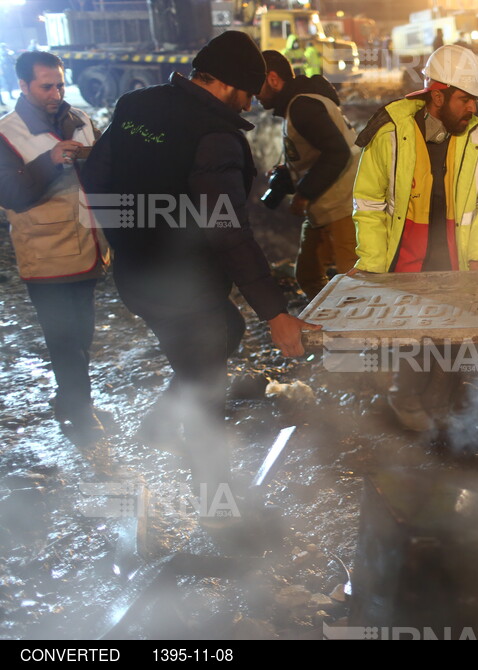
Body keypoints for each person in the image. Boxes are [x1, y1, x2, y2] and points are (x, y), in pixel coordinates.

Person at [82, 31, 318, 498]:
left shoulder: (136, 106)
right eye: (248, 92)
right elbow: (228, 230)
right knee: (207, 390)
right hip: (185, 291)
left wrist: (132, 238)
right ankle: (219, 516)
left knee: (224, 333)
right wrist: (275, 313)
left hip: (136, 279)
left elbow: (95, 178)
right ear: (229, 84)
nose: (250, 105)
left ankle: (161, 426)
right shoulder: (215, 138)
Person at [352, 45, 478, 431]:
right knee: (412, 345)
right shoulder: (389, 134)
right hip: (406, 265)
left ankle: (440, 416)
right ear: (437, 95)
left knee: (455, 347)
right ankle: (405, 405)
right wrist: (372, 265)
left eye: (474, 98)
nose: (473, 107)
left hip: (458, 263)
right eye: (464, 98)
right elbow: (368, 205)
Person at [0, 51, 111, 445]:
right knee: (64, 340)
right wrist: (49, 161)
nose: (56, 92)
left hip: (87, 249)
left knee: (81, 336)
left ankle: (70, 400)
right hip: (45, 257)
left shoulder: (80, 119)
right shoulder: (7, 133)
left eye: (60, 84)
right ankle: (81, 414)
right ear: (24, 86)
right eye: (47, 86)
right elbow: (10, 193)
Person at [257, 50, 359, 299]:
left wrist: (303, 192)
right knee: (309, 276)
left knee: (360, 283)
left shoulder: (303, 106)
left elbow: (337, 153)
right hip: (325, 207)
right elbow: (320, 152)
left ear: (272, 79)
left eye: (255, 85)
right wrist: (290, 174)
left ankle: (362, 332)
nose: (252, 95)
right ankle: (338, 322)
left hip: (344, 207)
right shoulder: (299, 105)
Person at [1, 43, 17, 107]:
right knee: (8, 83)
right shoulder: (3, 53)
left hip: (10, 71)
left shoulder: (7, 53)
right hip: (6, 72)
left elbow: (12, 61)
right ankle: (9, 95)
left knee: (10, 83)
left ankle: (10, 95)